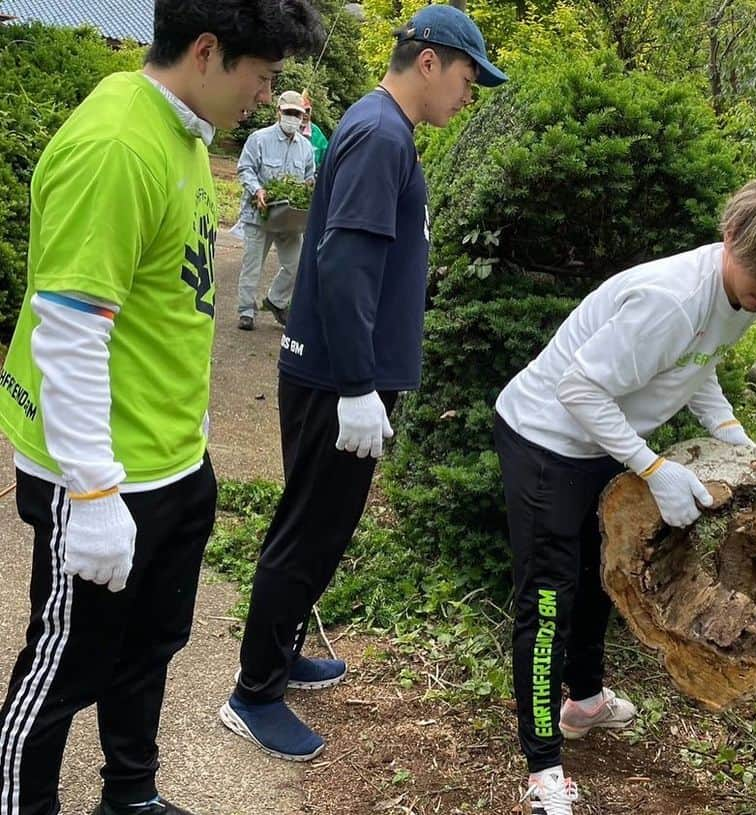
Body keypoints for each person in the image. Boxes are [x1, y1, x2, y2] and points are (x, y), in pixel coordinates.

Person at [0, 1, 323, 813]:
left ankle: (131, 797)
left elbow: (169, 304)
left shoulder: (181, 134)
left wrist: (196, 433)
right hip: (103, 475)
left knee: (149, 649)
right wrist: (96, 492)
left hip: (171, 458)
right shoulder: (117, 144)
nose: (265, 95)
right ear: (208, 51)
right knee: (62, 666)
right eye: (263, 76)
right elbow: (69, 333)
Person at [492, 171, 756, 815]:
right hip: (546, 439)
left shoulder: (741, 298)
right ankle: (542, 768)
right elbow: (579, 389)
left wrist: (734, 439)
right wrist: (651, 467)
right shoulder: (672, 300)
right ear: (730, 233)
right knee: (548, 599)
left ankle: (584, 701)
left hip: (600, 441)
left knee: (604, 578)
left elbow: (693, 368)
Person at [218, 3, 507, 762]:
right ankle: (252, 692)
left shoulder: (383, 129)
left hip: (344, 373)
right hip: (335, 379)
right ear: (430, 61)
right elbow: (345, 263)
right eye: (469, 78)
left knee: (321, 528)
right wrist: (354, 384)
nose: (468, 95)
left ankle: (276, 658)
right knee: (308, 532)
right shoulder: (381, 134)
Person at [235, 90, 316, 330]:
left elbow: (310, 175)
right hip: (259, 214)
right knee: (252, 265)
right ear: (278, 112)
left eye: (298, 114)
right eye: (289, 113)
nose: (294, 118)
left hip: (289, 218)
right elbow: (245, 168)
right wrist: (257, 190)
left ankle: (276, 301)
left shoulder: (305, 147)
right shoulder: (259, 139)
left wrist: (310, 185)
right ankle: (246, 311)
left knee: (297, 264)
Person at [300, 90, 329, 169]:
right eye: (302, 111)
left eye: (307, 111)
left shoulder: (316, 133)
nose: (305, 115)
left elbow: (326, 157)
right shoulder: (288, 130)